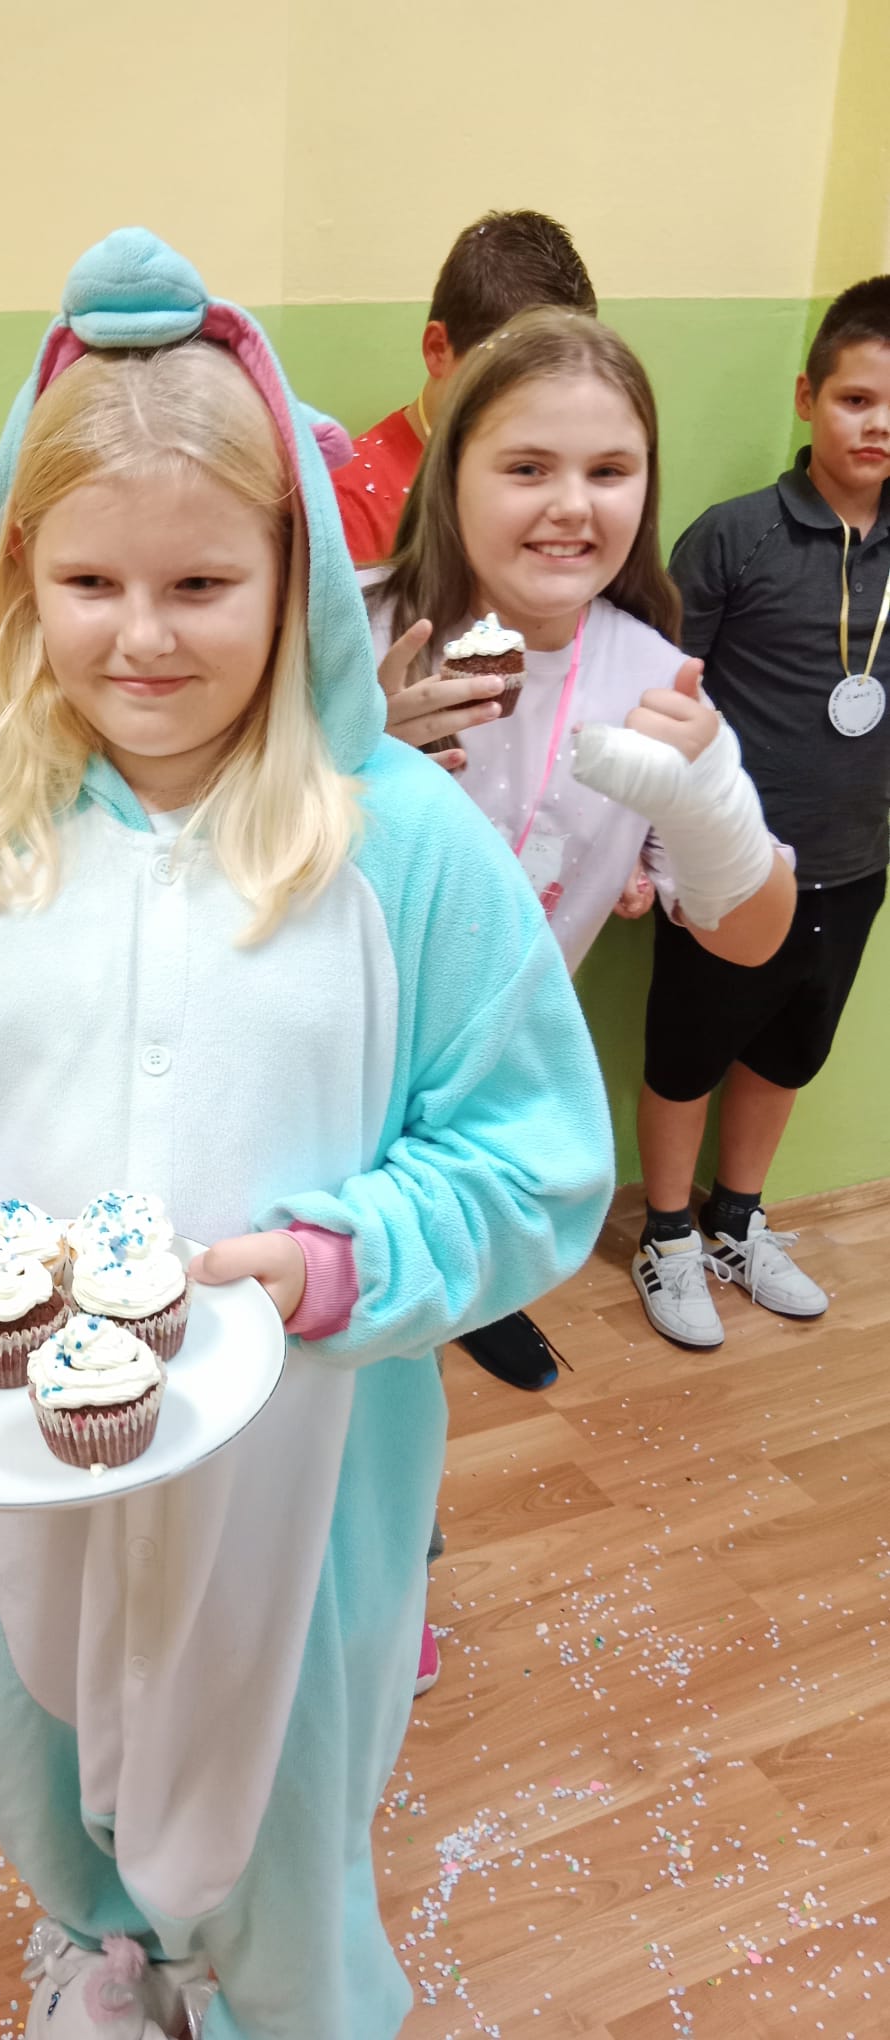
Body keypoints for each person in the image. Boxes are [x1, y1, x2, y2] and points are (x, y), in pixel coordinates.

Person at [0, 228, 614, 2040]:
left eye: (200, 583)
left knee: (279, 1798)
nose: (144, 636)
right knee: (48, 1731)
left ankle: (282, 1997)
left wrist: (336, 1261)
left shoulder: (402, 849)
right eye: (91, 581)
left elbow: (532, 1155)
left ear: (293, 573)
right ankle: (107, 1949)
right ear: (22, 571)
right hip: (18, 1460)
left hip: (298, 1473)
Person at [370, 307, 795, 1681]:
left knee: (397, 1373)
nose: (571, 505)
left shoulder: (651, 676)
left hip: (475, 1105)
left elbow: (751, 939)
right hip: (319, 1075)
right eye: (526, 467)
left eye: (609, 471)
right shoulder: (360, 632)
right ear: (452, 473)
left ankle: (389, 1572)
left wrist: (711, 807)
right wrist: (351, 759)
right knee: (309, 1363)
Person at [633, 277, 890, 1344]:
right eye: (856, 399)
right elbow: (657, 693)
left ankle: (736, 1221)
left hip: (856, 860)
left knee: (787, 1054)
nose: (877, 426)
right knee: (688, 1055)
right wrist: (644, 846)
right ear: (806, 398)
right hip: (729, 866)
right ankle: (665, 1236)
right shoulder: (734, 538)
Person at [331, 209, 597, 567]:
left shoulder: (568, 494)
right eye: (510, 378)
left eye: (562, 380)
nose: (540, 407)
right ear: (438, 350)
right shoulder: (344, 504)